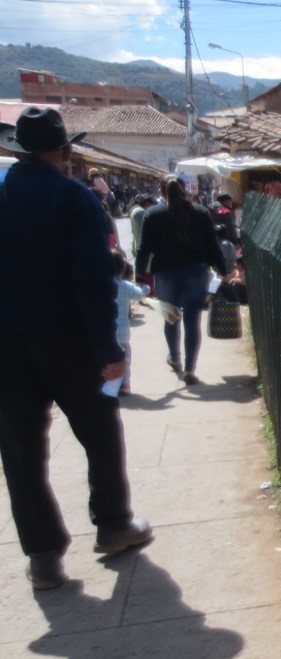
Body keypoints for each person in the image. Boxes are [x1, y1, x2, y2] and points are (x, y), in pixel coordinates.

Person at [0, 108, 153, 590]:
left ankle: (43, 556)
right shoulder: (73, 197)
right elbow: (94, 279)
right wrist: (109, 346)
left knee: (21, 450)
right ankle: (112, 525)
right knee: (100, 430)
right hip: (69, 340)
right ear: (65, 151)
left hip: (6, 343)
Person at [137, 176, 230, 386]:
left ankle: (175, 357)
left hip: (165, 273)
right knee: (192, 320)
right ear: (185, 189)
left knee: (171, 317)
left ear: (162, 192)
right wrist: (222, 269)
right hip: (196, 272)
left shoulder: (152, 214)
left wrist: (139, 276)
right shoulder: (200, 212)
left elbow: (144, 248)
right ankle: (190, 369)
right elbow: (211, 244)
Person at [113, 257, 150, 395]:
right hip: (122, 332)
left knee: (107, 360)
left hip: (106, 333)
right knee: (125, 360)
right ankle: (125, 384)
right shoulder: (124, 285)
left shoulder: (99, 284)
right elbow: (139, 294)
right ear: (122, 269)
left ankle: (110, 384)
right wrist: (146, 288)